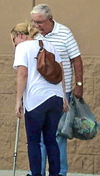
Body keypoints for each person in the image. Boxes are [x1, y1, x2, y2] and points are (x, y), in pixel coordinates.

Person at [27, 4, 83, 176]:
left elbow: (77, 60)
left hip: (60, 92)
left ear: (50, 18)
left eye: (40, 22)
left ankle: (60, 172)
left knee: (58, 135)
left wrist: (79, 85)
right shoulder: (33, 36)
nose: (37, 26)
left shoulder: (64, 33)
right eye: (34, 22)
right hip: (38, 94)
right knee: (40, 138)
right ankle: (38, 172)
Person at [11, 22, 69, 176]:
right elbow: (61, 72)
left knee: (34, 141)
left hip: (36, 100)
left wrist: (18, 101)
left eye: (13, 40)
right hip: (55, 98)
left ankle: (36, 173)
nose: (14, 44)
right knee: (51, 139)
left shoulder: (22, 48)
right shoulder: (51, 45)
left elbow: (22, 74)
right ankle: (55, 174)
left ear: (20, 35)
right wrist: (63, 96)